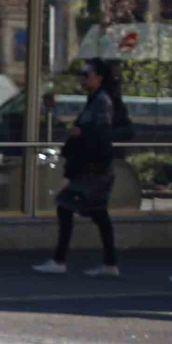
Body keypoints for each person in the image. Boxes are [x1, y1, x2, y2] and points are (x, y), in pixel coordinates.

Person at [37, 61, 124, 277]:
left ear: (98, 78)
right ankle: (109, 263)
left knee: (67, 206)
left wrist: (80, 133)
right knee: (97, 213)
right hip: (94, 169)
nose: (83, 79)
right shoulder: (95, 100)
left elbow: (100, 135)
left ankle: (61, 260)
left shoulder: (101, 102)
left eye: (86, 74)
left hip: (95, 170)